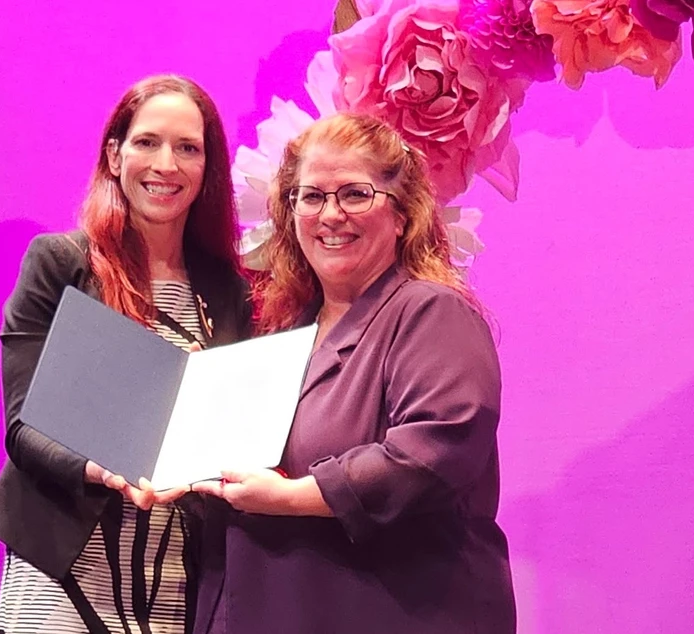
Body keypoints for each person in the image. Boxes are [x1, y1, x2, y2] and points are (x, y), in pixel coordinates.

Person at [193, 113, 516, 633]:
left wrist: (293, 498)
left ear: (403, 214)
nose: (331, 215)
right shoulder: (282, 337)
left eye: (354, 194)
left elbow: (436, 449)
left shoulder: (429, 311)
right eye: (312, 197)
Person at [0, 74, 252, 634]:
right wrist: (97, 468)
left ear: (208, 169)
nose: (166, 164)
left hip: (174, 579)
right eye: (147, 141)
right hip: (60, 578)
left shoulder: (229, 291)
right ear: (115, 153)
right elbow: (23, 425)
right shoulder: (62, 264)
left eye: (188, 148)